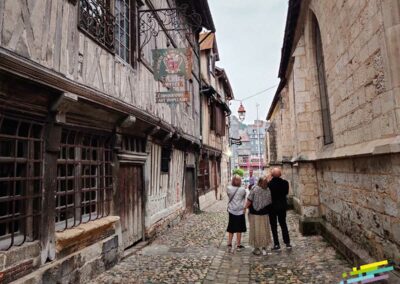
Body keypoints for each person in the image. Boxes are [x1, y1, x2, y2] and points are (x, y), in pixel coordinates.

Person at [245, 176, 272, 256]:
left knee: (255, 230)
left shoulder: (254, 189)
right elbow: (269, 201)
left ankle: (256, 248)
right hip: (264, 213)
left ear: (259, 182)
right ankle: (264, 247)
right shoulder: (268, 190)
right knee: (264, 230)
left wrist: (245, 208)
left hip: (254, 214)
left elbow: (249, 200)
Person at [268, 167, 291, 250]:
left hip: (272, 207)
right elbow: (286, 192)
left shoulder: (269, 184)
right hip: (282, 206)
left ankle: (276, 244)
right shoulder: (285, 183)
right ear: (280, 174)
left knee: (274, 226)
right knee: (283, 224)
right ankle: (287, 242)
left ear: (272, 175)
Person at [226, 175, 247, 251]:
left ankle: (229, 243)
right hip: (240, 211)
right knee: (239, 228)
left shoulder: (229, 188)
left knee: (231, 227)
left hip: (232, 210)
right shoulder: (242, 189)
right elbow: (244, 196)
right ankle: (238, 245)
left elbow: (228, 195)